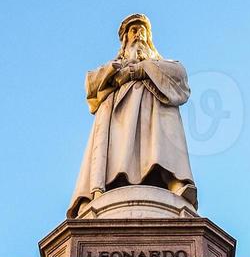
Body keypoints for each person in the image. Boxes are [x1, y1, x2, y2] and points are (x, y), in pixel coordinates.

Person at [68, 14, 197, 217]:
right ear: (126, 38)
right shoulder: (113, 65)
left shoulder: (162, 64)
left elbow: (179, 76)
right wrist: (117, 73)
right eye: (133, 30)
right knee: (118, 144)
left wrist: (141, 69)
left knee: (165, 120)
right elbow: (91, 85)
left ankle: (174, 180)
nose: (138, 34)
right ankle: (106, 187)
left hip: (154, 109)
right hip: (118, 113)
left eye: (142, 30)